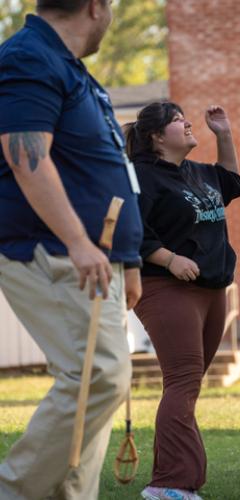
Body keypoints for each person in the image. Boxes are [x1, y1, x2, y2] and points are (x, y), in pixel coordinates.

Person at [0, 1, 143, 498]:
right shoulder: (29, 57)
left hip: (100, 260)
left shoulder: (70, 67)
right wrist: (78, 241)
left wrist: (131, 259)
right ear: (95, 7)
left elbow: (106, 169)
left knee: (93, 390)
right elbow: (26, 156)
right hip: (51, 251)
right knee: (102, 376)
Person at [124, 101, 240, 500]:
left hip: (212, 289)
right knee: (183, 381)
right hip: (166, 288)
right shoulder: (141, 177)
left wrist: (223, 134)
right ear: (157, 137)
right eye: (177, 120)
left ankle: (173, 479)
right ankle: (170, 484)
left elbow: (231, 182)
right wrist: (169, 258)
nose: (188, 122)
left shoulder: (196, 173)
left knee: (186, 386)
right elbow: (129, 232)